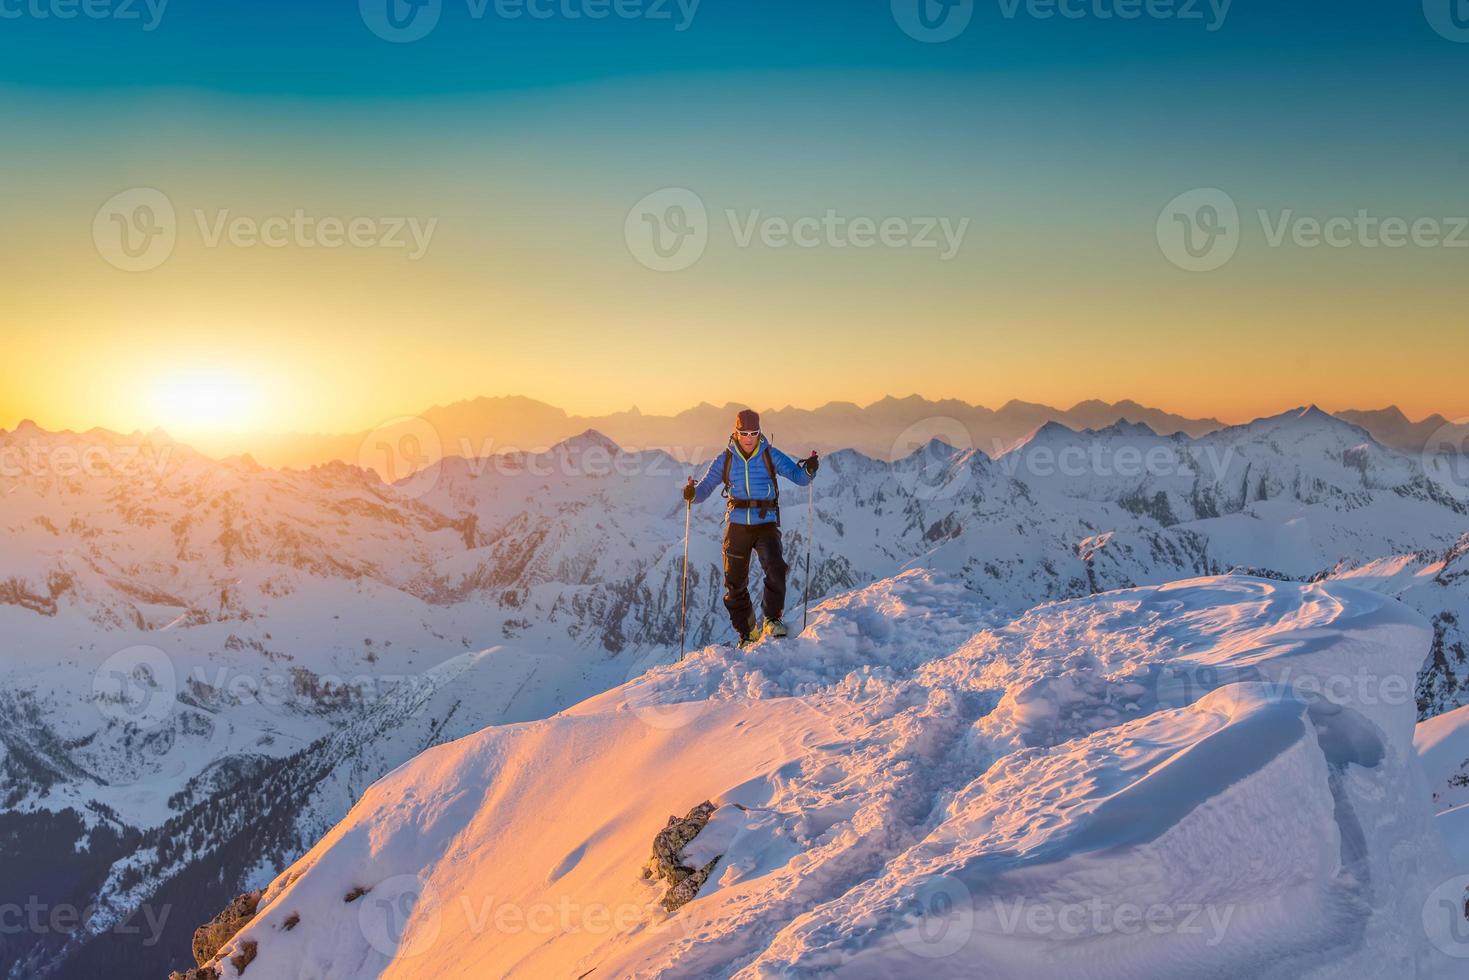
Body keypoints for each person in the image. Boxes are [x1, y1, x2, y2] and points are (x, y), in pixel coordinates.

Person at [682, 409, 819, 649]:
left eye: (753, 432)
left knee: (776, 567)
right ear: (735, 433)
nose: (748, 437)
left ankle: (772, 619)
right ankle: (747, 634)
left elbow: (799, 477)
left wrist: (809, 469)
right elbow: (704, 489)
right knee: (734, 583)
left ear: (759, 432)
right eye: (744, 433)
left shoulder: (770, 455)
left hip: (765, 522)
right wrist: (692, 494)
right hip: (736, 524)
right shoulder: (725, 459)